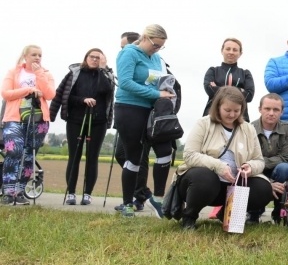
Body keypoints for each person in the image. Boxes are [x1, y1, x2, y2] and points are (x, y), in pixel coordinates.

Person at [176, 87, 273, 230]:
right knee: (205, 177)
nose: (232, 114)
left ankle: (227, 214)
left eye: (237, 111)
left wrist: (250, 167)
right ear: (218, 106)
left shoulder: (248, 129)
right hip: (202, 185)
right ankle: (189, 216)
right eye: (227, 110)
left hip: (233, 185)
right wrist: (218, 166)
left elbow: (259, 160)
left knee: (263, 189)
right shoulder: (203, 123)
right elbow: (190, 155)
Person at [114, 24, 176, 218]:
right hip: (129, 108)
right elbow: (125, 82)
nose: (157, 49)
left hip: (152, 111)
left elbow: (158, 81)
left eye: (161, 46)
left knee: (165, 151)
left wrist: (167, 91)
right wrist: (156, 93)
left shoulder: (157, 58)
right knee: (134, 157)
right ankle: (128, 204)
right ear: (145, 38)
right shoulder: (129, 53)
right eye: (155, 44)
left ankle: (157, 199)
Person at [49, 48, 115, 205]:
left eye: (98, 58)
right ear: (86, 58)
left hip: (98, 121)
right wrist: (82, 100)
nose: (94, 60)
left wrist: (102, 70)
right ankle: (71, 192)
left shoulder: (106, 75)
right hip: (75, 119)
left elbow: (106, 90)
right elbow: (63, 94)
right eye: (92, 57)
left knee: (93, 157)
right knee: (75, 156)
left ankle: (87, 194)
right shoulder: (75, 73)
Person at [1, 45, 56, 205]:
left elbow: (50, 94)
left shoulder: (45, 74)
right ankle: (8, 191)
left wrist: (39, 74)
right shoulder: (14, 72)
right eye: (34, 55)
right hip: (14, 117)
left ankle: (20, 191)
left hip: (38, 119)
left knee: (29, 155)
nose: (37, 57)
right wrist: (28, 90)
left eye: (40, 55)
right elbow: (5, 93)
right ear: (25, 56)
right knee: (14, 150)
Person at [249, 93, 288, 221]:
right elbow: (249, 159)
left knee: (284, 168)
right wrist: (266, 180)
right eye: (267, 109)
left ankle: (279, 212)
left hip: (277, 170)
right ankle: (254, 212)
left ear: (282, 112)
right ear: (260, 109)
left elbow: (287, 157)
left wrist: (261, 162)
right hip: (256, 171)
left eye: (276, 110)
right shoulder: (249, 129)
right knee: (250, 168)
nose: (271, 113)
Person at [203, 38, 255, 122]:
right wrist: (240, 90)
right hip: (213, 116)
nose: (231, 52)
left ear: (240, 53)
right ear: (222, 51)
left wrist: (218, 88)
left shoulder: (245, 73)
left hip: (239, 118)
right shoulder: (213, 71)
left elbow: (249, 96)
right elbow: (209, 90)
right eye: (228, 49)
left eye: (235, 50)